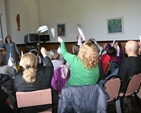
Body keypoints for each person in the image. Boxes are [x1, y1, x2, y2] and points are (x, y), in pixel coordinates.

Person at [14, 47, 59, 112]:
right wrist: (44, 54)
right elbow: (50, 65)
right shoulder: (46, 73)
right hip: (46, 108)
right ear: (36, 62)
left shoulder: (17, 79)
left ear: (22, 64)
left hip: (27, 110)